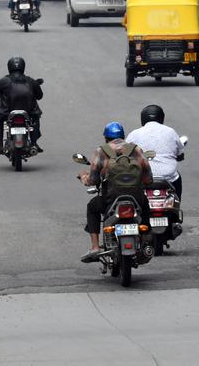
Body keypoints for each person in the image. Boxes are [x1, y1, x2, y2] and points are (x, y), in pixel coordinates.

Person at [79, 122, 153, 263]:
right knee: (146, 207)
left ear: (106, 138)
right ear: (123, 136)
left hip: (110, 199)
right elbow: (148, 178)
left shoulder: (101, 151)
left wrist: (83, 176)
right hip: (136, 198)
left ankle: (95, 247)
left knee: (92, 207)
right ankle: (145, 242)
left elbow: (93, 180)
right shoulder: (135, 149)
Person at [125, 104, 185, 199]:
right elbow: (179, 151)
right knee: (177, 177)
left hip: (143, 177)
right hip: (168, 177)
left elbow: (125, 154)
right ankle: (176, 206)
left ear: (143, 119)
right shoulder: (171, 132)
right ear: (161, 118)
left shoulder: (134, 134)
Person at [0, 56, 43, 153]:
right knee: (35, 119)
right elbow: (40, 96)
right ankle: (34, 143)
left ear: (9, 67)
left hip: (6, 111)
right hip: (29, 111)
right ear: (23, 67)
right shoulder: (30, 81)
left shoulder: (4, 81)